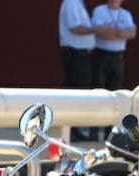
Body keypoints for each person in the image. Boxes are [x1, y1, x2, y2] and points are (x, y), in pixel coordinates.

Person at [58, 0, 115, 140]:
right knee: (74, 94)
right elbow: (75, 28)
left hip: (80, 54)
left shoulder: (78, 3)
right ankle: (72, 132)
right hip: (75, 54)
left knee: (78, 94)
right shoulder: (71, 2)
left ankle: (75, 130)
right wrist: (98, 30)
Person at [91, 0, 136, 91]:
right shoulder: (99, 11)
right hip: (101, 55)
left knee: (115, 89)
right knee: (100, 88)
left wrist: (112, 32)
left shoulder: (125, 14)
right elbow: (100, 33)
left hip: (117, 56)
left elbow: (132, 33)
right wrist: (122, 34)